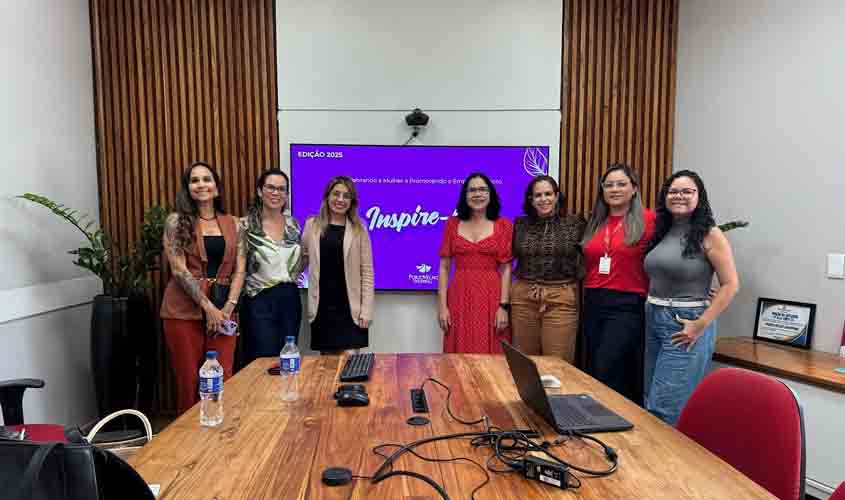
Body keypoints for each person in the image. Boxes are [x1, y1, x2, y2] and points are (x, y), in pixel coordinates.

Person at [643, 170, 739, 425]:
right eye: (674, 191)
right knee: (650, 402)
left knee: (665, 409)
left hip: (685, 324)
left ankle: (668, 465)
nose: (679, 196)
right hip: (654, 317)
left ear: (700, 197)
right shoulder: (663, 230)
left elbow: (730, 285)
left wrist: (700, 324)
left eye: (688, 191)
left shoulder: (710, 234)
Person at [160, 161, 246, 415]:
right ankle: (187, 446)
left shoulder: (235, 223)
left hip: (225, 309)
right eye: (194, 180)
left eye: (206, 179)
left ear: (217, 187)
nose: (201, 185)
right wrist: (208, 308)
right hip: (183, 311)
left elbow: (240, 270)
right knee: (189, 383)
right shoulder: (176, 222)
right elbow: (178, 269)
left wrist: (227, 309)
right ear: (187, 188)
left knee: (223, 378)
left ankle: (219, 439)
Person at [581, 164, 655, 405]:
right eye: (609, 185)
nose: (614, 189)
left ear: (634, 188)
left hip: (627, 304)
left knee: (609, 367)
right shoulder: (596, 221)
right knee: (593, 367)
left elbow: (679, 249)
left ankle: (618, 423)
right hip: (593, 301)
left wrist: (702, 281)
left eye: (621, 184)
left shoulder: (650, 220)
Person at [510, 175, 585, 362]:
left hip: (560, 298)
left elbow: (587, 260)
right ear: (531, 199)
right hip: (524, 298)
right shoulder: (520, 224)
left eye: (548, 194)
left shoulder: (575, 224)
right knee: (525, 362)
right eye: (538, 195)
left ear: (557, 196)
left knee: (558, 363)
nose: (544, 199)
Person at [438, 173, 513, 354]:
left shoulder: (503, 225)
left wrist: (503, 307)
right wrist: (442, 307)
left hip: (491, 296)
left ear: (490, 194)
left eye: (482, 189)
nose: (477, 194)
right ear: (465, 195)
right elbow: (444, 267)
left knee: (494, 353)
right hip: (459, 296)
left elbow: (506, 268)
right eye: (472, 190)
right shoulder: (452, 224)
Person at [301, 176, 374, 354]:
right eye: (336, 194)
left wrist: (366, 310)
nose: (340, 200)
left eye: (346, 196)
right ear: (327, 196)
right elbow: (302, 259)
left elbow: (367, 272)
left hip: (351, 309)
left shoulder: (359, 228)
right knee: (325, 368)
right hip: (322, 308)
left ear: (352, 201)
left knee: (351, 364)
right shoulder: (312, 225)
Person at [240, 169, 303, 365]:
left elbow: (301, 262)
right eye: (271, 188)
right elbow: (238, 267)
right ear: (260, 191)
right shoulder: (245, 225)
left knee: (288, 359)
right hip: (259, 301)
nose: (276, 193)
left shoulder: (294, 224)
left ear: (286, 194)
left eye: (281, 189)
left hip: (290, 299)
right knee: (262, 362)